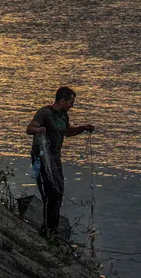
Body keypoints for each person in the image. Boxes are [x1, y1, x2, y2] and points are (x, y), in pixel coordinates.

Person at [26, 86, 95, 237]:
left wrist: (83, 128)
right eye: (71, 102)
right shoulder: (45, 112)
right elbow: (30, 128)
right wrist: (39, 130)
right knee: (49, 193)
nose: (72, 106)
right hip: (42, 158)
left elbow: (68, 132)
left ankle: (53, 230)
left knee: (58, 192)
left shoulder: (64, 116)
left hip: (55, 160)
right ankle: (46, 230)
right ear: (62, 100)